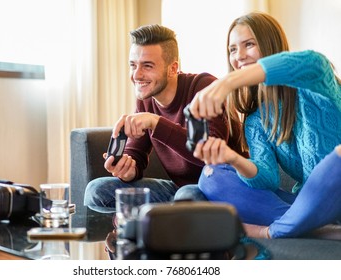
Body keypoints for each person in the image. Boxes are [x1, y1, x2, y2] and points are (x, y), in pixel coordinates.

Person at [189, 12, 341, 239]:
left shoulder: (314, 83)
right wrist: (232, 158)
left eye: (248, 44)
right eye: (232, 49)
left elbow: (312, 61)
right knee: (212, 176)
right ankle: (312, 228)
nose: (238, 56)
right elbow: (268, 178)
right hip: (307, 204)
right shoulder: (256, 120)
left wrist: (228, 81)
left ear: (271, 46)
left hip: (334, 185)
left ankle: (274, 231)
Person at [84, 24, 246, 213]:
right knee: (96, 190)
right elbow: (137, 153)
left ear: (173, 68)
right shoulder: (146, 98)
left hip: (221, 189)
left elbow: (209, 155)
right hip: (177, 191)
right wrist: (128, 169)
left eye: (147, 65)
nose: (137, 75)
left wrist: (156, 122)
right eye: (133, 65)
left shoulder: (203, 87)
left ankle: (168, 218)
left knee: (186, 197)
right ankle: (138, 231)